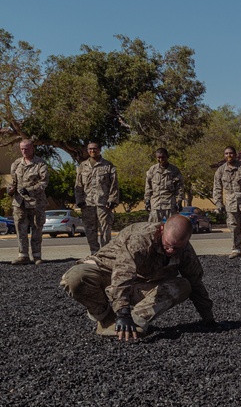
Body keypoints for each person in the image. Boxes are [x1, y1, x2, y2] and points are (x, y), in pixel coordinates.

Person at [59, 215, 215, 341]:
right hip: (108, 275)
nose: (171, 250)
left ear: (187, 240)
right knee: (74, 278)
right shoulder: (141, 239)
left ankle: (136, 322)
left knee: (184, 285)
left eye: (176, 248)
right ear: (162, 229)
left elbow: (196, 283)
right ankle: (107, 319)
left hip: (141, 285)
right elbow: (123, 274)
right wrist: (123, 313)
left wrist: (208, 319)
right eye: (168, 245)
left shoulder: (185, 251)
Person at [7, 138, 49, 265]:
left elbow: (44, 182)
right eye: (22, 149)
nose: (24, 151)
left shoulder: (40, 164)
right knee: (20, 229)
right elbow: (13, 181)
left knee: (36, 229)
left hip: (35, 202)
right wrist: (11, 189)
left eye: (26, 148)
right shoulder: (16, 164)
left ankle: (37, 256)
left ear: (32, 149)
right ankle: (23, 255)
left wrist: (30, 190)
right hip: (19, 203)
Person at [75, 142, 120, 254]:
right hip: (87, 204)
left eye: (95, 148)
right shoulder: (82, 166)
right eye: (90, 149)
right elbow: (78, 185)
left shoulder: (108, 165)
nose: (92, 151)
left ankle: (105, 254)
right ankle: (94, 253)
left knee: (105, 230)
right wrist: (79, 200)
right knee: (90, 231)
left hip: (103, 204)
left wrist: (112, 200)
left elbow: (114, 185)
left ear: (99, 149)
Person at [213, 146, 241, 258]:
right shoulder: (220, 170)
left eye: (231, 153)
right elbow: (217, 188)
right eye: (227, 153)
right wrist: (219, 203)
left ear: (235, 154)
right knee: (233, 227)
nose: (229, 155)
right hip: (230, 204)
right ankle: (236, 249)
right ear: (224, 156)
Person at [144, 148, 184, 223]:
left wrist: (179, 201)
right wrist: (147, 200)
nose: (161, 159)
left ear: (167, 156)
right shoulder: (152, 170)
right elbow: (148, 187)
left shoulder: (174, 170)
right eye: (158, 157)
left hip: (170, 204)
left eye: (163, 157)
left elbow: (180, 187)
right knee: (153, 228)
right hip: (156, 204)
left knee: (172, 228)